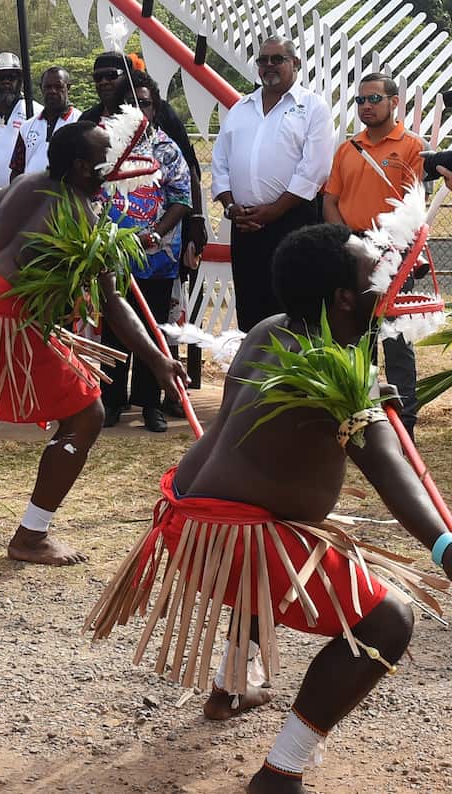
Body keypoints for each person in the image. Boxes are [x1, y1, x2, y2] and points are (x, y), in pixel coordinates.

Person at [88, 222, 452, 794]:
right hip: (233, 539)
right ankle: (282, 773)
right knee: (389, 619)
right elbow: (386, 467)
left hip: (186, 521)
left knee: (288, 531)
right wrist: (445, 548)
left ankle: (232, 685)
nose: (383, 282)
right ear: (344, 300)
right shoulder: (336, 370)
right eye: (370, 276)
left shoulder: (269, 330)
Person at [0, 121, 186, 563]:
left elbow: (8, 219)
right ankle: (31, 536)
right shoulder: (84, 217)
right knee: (88, 413)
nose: (115, 158)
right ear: (82, 167)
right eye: (106, 153)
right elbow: (113, 303)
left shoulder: (26, 182)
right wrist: (158, 359)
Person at [323, 72, 425, 436]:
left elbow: (413, 203)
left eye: (374, 99)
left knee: (397, 345)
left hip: (395, 254)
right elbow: (331, 199)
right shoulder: (348, 149)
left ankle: (402, 429)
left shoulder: (413, 147)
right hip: (353, 252)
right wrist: (348, 240)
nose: (366, 106)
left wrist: (386, 246)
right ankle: (359, 421)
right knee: (355, 342)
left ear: (394, 102)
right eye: (360, 101)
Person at [212, 36, 334, 331]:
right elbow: (220, 163)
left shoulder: (313, 107)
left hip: (292, 222)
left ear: (296, 64)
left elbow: (314, 170)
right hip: (244, 224)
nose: (269, 66)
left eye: (277, 59)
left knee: (293, 306)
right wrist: (231, 208)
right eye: (263, 60)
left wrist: (274, 211)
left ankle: (291, 375)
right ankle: (256, 369)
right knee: (251, 304)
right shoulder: (241, 107)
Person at [100, 72, 194, 432]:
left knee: (153, 329)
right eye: (133, 103)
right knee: (114, 328)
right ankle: (111, 402)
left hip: (156, 257)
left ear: (156, 109)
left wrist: (154, 233)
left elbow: (181, 198)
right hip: (113, 255)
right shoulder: (108, 144)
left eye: (147, 103)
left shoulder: (167, 148)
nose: (140, 110)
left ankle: (149, 404)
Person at [0, 55, 68, 253]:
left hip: (16, 204)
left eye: (12, 77)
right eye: (1, 77)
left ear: (20, 81)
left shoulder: (35, 113)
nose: (6, 82)